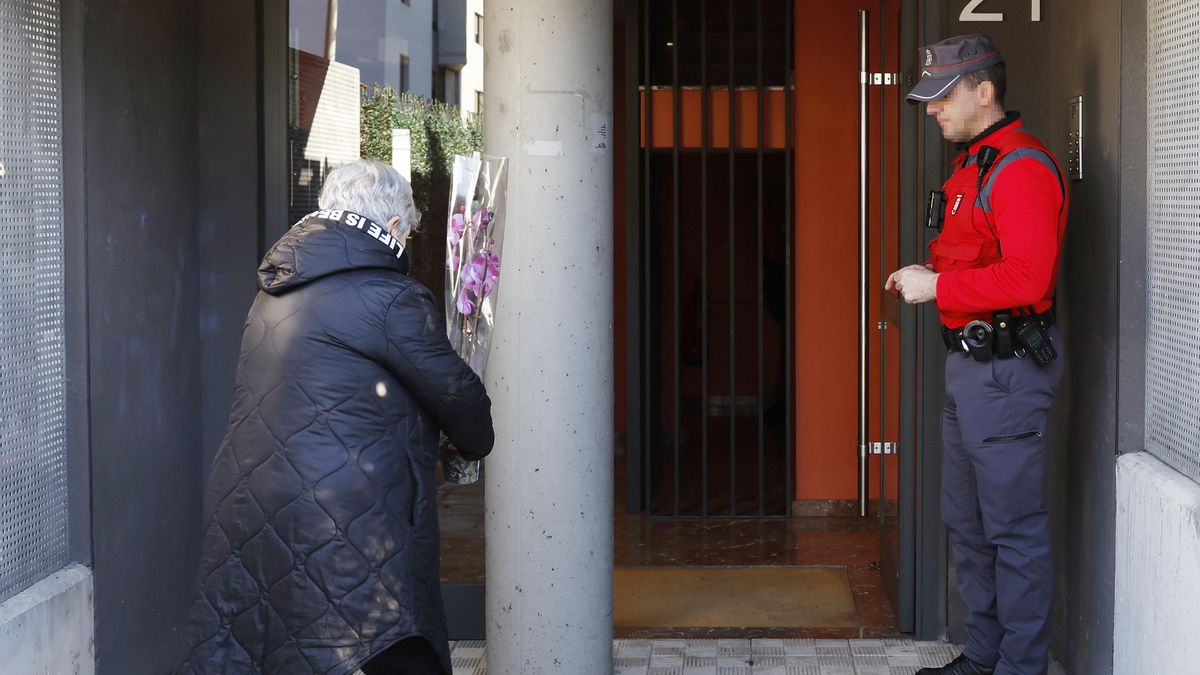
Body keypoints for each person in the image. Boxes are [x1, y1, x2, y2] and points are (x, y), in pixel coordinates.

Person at [176, 160, 494, 675]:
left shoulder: (273, 290)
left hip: (254, 498)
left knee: (283, 643)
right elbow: (459, 397)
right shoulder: (390, 298)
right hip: (348, 514)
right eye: (409, 230)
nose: (408, 240)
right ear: (392, 228)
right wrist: (471, 445)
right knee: (388, 642)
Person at [886, 35, 1068, 675]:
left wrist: (937, 286)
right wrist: (932, 273)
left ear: (983, 91)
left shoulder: (1019, 168)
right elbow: (980, 259)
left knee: (1013, 531)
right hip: (972, 368)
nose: (932, 110)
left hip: (1008, 372)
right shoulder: (975, 166)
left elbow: (1029, 279)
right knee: (968, 524)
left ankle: (1020, 667)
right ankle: (987, 656)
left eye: (942, 97)